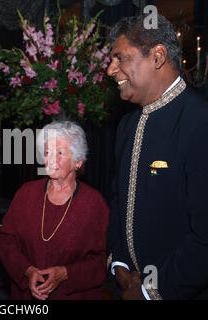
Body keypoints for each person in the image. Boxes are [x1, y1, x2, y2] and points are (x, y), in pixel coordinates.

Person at [107, 13, 208, 300]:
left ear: (157, 56)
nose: (110, 69)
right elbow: (118, 198)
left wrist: (151, 291)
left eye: (120, 58)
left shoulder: (200, 122)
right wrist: (120, 264)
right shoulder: (127, 125)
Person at [0, 121, 109, 300]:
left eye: (60, 153)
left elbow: (102, 261)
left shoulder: (94, 204)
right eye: (48, 152)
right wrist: (27, 270)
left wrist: (66, 273)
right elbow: (6, 240)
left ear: (78, 162)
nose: (51, 159)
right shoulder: (26, 193)